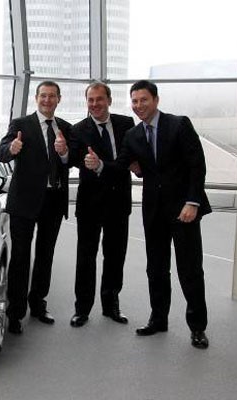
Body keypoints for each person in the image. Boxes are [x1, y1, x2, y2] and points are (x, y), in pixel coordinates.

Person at [84, 80, 211, 349]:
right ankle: (158, 319)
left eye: (143, 100)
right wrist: (99, 166)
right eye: (134, 101)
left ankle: (197, 327)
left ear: (156, 100)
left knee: (189, 269)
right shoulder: (133, 135)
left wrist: (193, 202)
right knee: (156, 268)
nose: (138, 105)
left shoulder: (179, 124)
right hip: (153, 212)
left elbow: (197, 166)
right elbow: (120, 166)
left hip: (184, 210)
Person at [0, 81, 72, 334]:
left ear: (59, 99)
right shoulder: (21, 124)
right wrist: (12, 148)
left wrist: (64, 152)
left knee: (45, 255)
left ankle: (38, 304)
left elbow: (71, 160)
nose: (47, 100)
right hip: (24, 202)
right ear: (36, 98)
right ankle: (15, 313)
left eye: (52, 96)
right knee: (20, 257)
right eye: (43, 96)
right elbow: (1, 152)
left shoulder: (65, 128)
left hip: (53, 201)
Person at [68, 82, 135, 328]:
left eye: (99, 99)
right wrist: (65, 153)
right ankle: (82, 309)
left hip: (119, 202)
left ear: (109, 100)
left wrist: (104, 166)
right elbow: (72, 160)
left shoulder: (126, 124)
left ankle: (111, 305)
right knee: (86, 258)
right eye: (91, 100)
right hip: (90, 204)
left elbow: (129, 159)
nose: (95, 104)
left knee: (115, 256)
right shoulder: (78, 129)